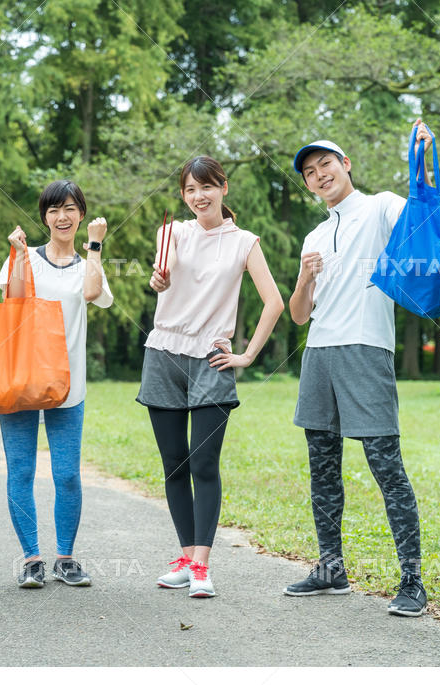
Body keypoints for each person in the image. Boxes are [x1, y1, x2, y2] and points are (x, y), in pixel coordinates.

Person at [284, 120, 434, 617]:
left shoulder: (380, 207)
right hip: (319, 353)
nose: (319, 174)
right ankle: (331, 569)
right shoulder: (314, 235)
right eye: (310, 172)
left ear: (345, 165)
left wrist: (423, 163)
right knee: (322, 466)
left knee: (385, 465)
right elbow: (299, 314)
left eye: (326, 164)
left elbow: (421, 214)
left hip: (366, 349)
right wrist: (304, 278)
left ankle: (412, 581)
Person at [138, 155, 284, 598]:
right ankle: (186, 558)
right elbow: (161, 277)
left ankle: (201, 565)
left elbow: (274, 302)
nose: (198, 196)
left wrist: (247, 356)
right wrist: (158, 281)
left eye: (206, 187)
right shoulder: (172, 232)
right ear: (183, 195)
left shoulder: (244, 242)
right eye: (190, 189)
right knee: (174, 464)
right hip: (163, 353)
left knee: (203, 464)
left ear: (223, 188)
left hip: (212, 359)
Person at [0, 180, 113, 589]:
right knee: (21, 470)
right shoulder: (25, 255)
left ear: (81, 214)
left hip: (68, 384)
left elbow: (92, 292)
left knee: (67, 475)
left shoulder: (87, 263)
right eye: (53, 210)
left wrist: (95, 245)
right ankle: (31, 559)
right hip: (21, 378)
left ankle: (65, 558)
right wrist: (17, 254)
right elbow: (12, 302)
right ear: (44, 217)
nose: (61, 217)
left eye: (69, 209)